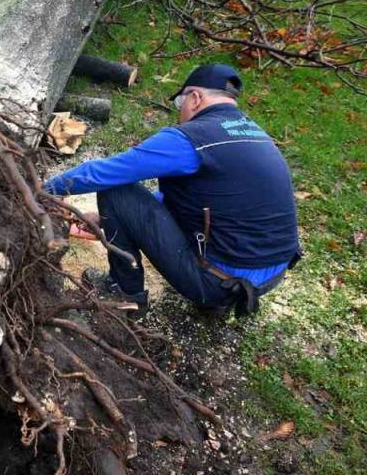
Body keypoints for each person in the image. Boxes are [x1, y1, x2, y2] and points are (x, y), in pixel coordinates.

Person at [44, 64, 300, 318]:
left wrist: (42, 190)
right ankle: (218, 297)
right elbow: (205, 201)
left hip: (220, 282)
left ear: (195, 97)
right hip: (268, 278)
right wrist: (109, 220)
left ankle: (124, 294)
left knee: (116, 192)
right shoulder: (254, 134)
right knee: (132, 202)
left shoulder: (191, 139)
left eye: (180, 103)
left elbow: (102, 173)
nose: (180, 113)